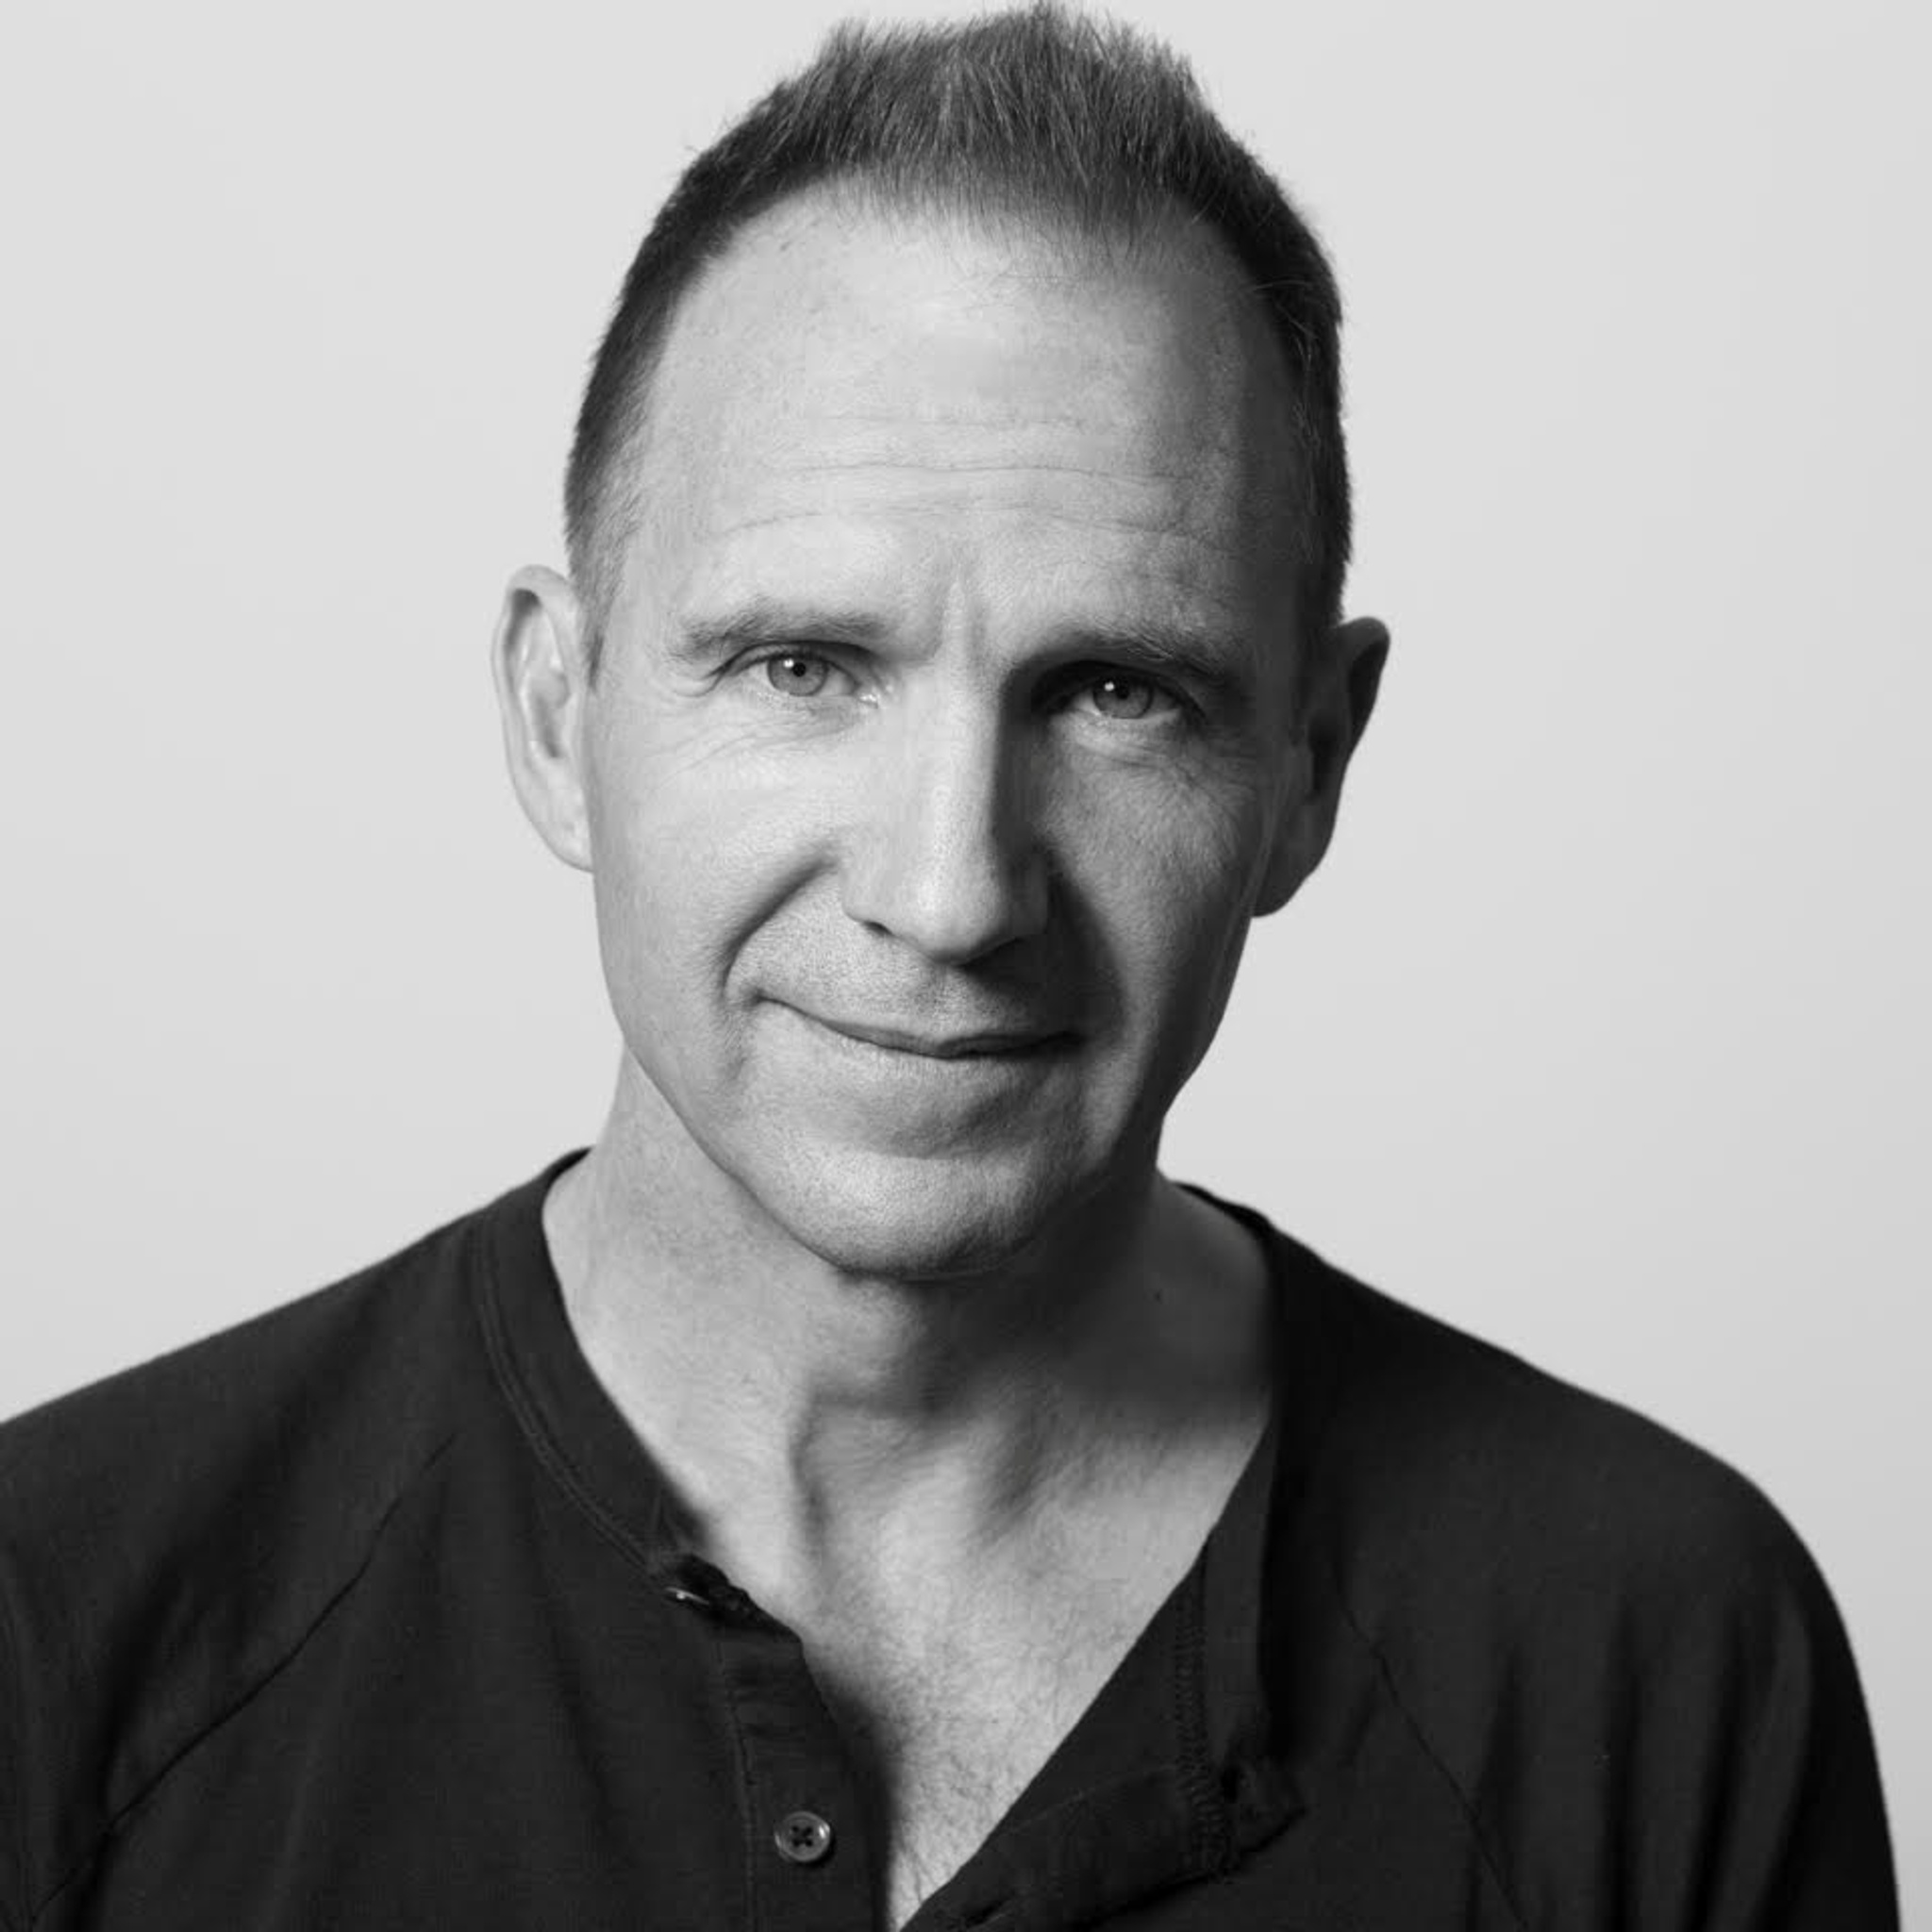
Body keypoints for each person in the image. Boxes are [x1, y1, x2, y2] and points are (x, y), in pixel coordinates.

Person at [0, 7, 1897, 1927]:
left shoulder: (1654, 1656)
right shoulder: (60, 1622)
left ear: (1310, 769)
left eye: (1113, 690)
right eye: (802, 665)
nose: (950, 886)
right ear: (558, 710)